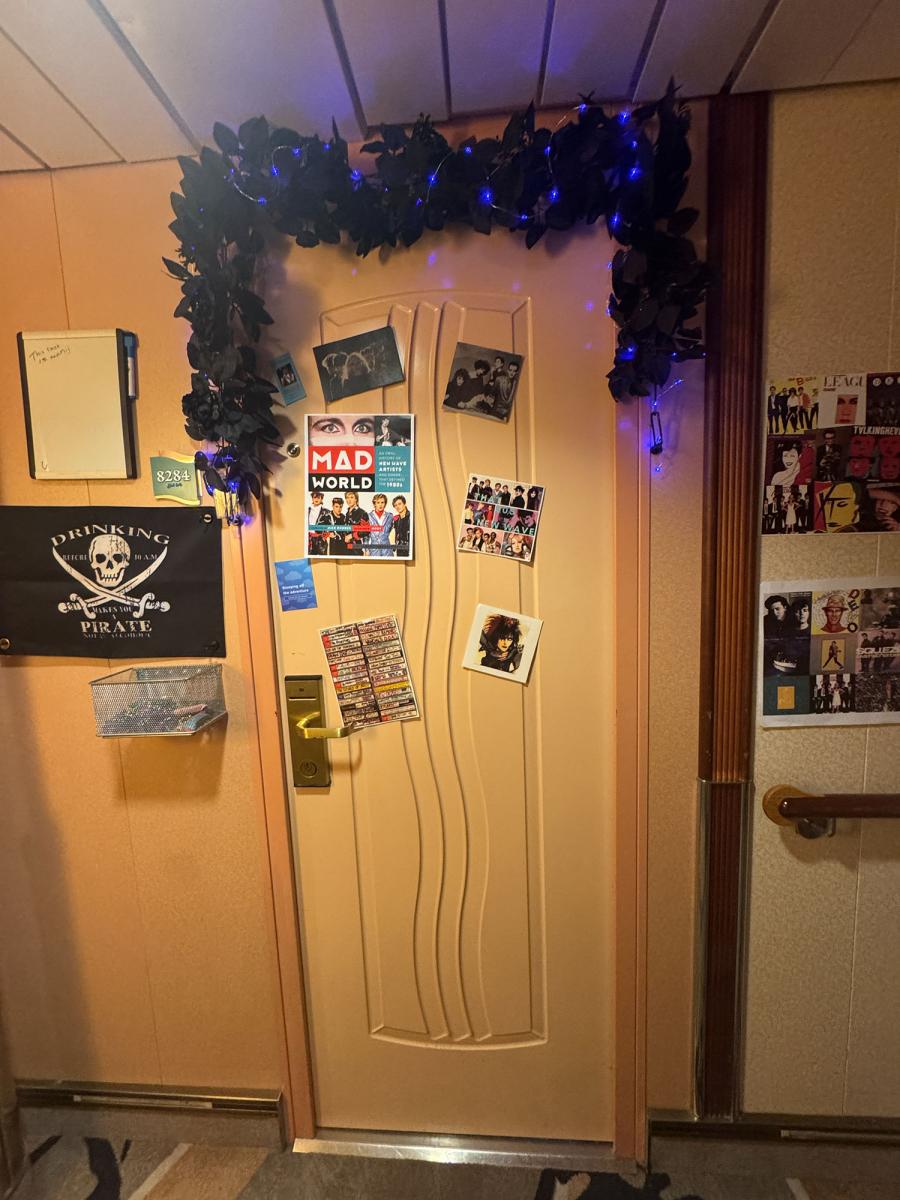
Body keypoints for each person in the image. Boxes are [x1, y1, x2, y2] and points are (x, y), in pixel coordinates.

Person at [344, 491, 370, 555]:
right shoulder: (347, 513)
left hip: (357, 548)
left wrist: (352, 535)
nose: (349, 500)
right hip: (346, 547)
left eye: (351, 497)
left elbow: (366, 531)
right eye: (347, 498)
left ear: (356, 499)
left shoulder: (362, 513)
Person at [307, 489, 327, 554]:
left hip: (320, 539)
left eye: (318, 498)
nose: (316, 499)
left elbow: (330, 526)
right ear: (312, 499)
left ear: (321, 499)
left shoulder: (326, 512)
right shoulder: (308, 510)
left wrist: (325, 536)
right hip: (309, 538)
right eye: (314, 497)